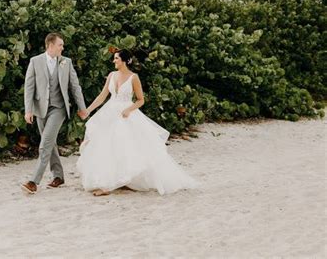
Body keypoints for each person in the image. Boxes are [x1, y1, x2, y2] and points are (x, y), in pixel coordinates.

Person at [77, 49, 198, 196]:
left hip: (126, 113)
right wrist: (88, 111)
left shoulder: (133, 77)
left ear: (124, 60)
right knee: (106, 145)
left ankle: (113, 183)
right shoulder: (111, 75)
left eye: (116, 58)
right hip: (109, 112)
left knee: (125, 146)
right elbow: (102, 96)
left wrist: (129, 109)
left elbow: (141, 100)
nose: (113, 61)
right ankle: (109, 180)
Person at [21, 32, 87, 194]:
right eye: (60, 45)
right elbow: (29, 87)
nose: (62, 48)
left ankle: (33, 182)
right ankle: (59, 176)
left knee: (45, 145)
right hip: (40, 110)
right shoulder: (35, 61)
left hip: (59, 109)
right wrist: (28, 109)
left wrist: (82, 107)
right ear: (50, 46)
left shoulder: (67, 62)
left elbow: (75, 86)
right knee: (50, 143)